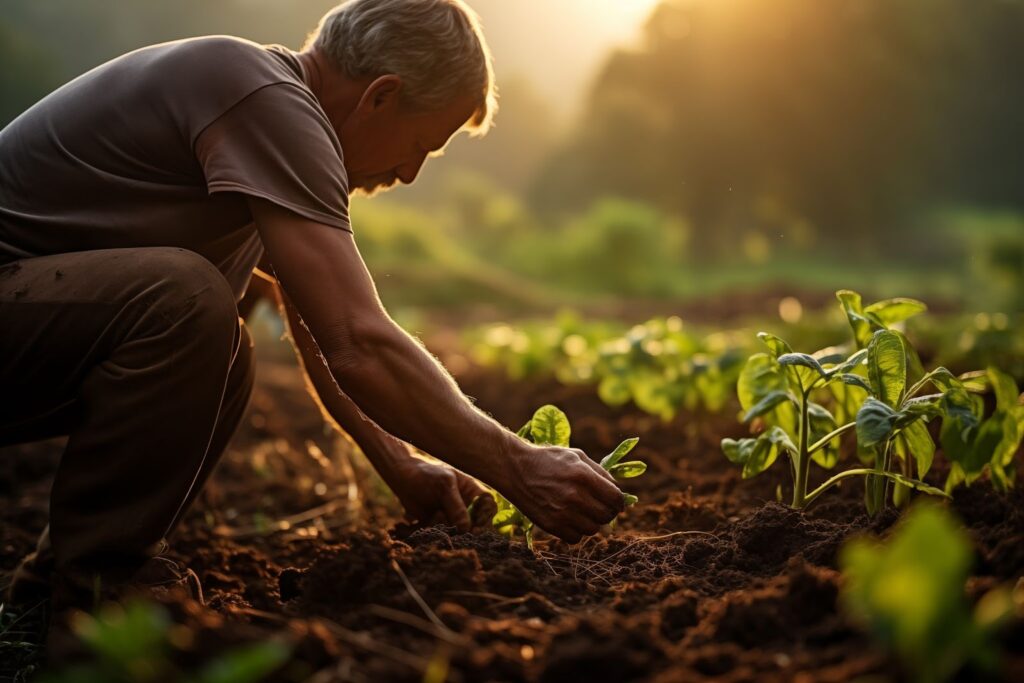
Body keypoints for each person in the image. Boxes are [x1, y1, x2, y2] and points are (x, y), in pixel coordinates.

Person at [0, 0, 624, 609]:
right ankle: (98, 591)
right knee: (186, 300)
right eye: (422, 145)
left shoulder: (264, 121)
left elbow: (319, 321)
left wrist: (399, 463)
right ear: (380, 96)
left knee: (223, 343)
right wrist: (518, 467)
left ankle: (59, 585)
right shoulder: (263, 97)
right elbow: (358, 339)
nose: (408, 174)